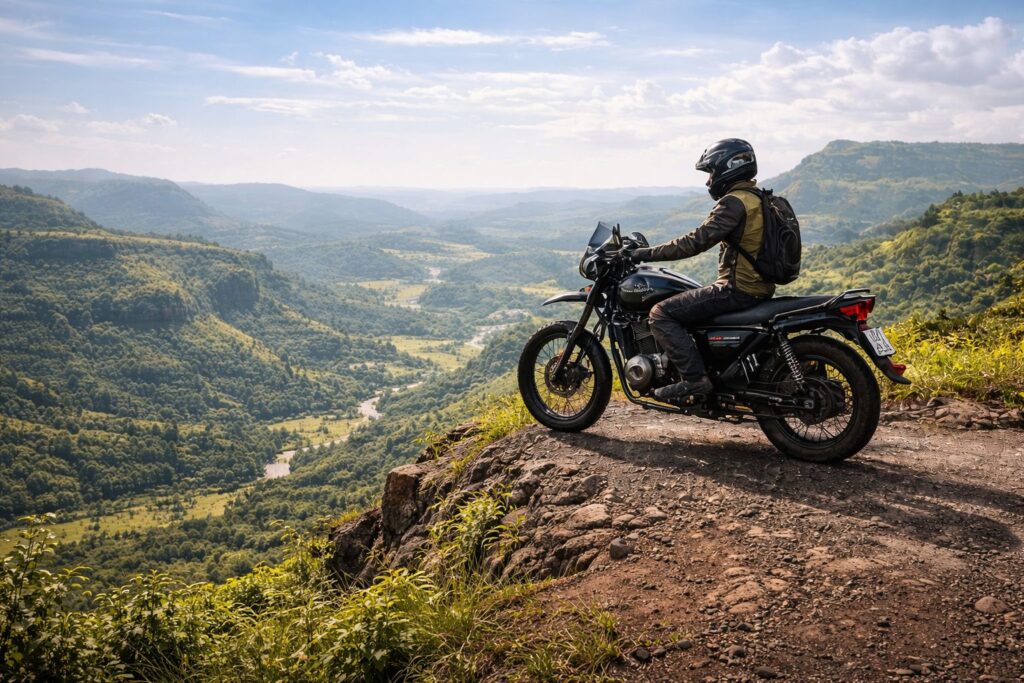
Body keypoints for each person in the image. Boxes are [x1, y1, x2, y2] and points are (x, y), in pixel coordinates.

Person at [625, 138, 775, 402]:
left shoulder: (735, 202)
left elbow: (695, 242)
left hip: (737, 289)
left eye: (712, 173)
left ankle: (695, 380)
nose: (709, 181)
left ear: (729, 169)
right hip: (759, 287)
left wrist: (644, 254)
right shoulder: (760, 198)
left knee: (660, 313)